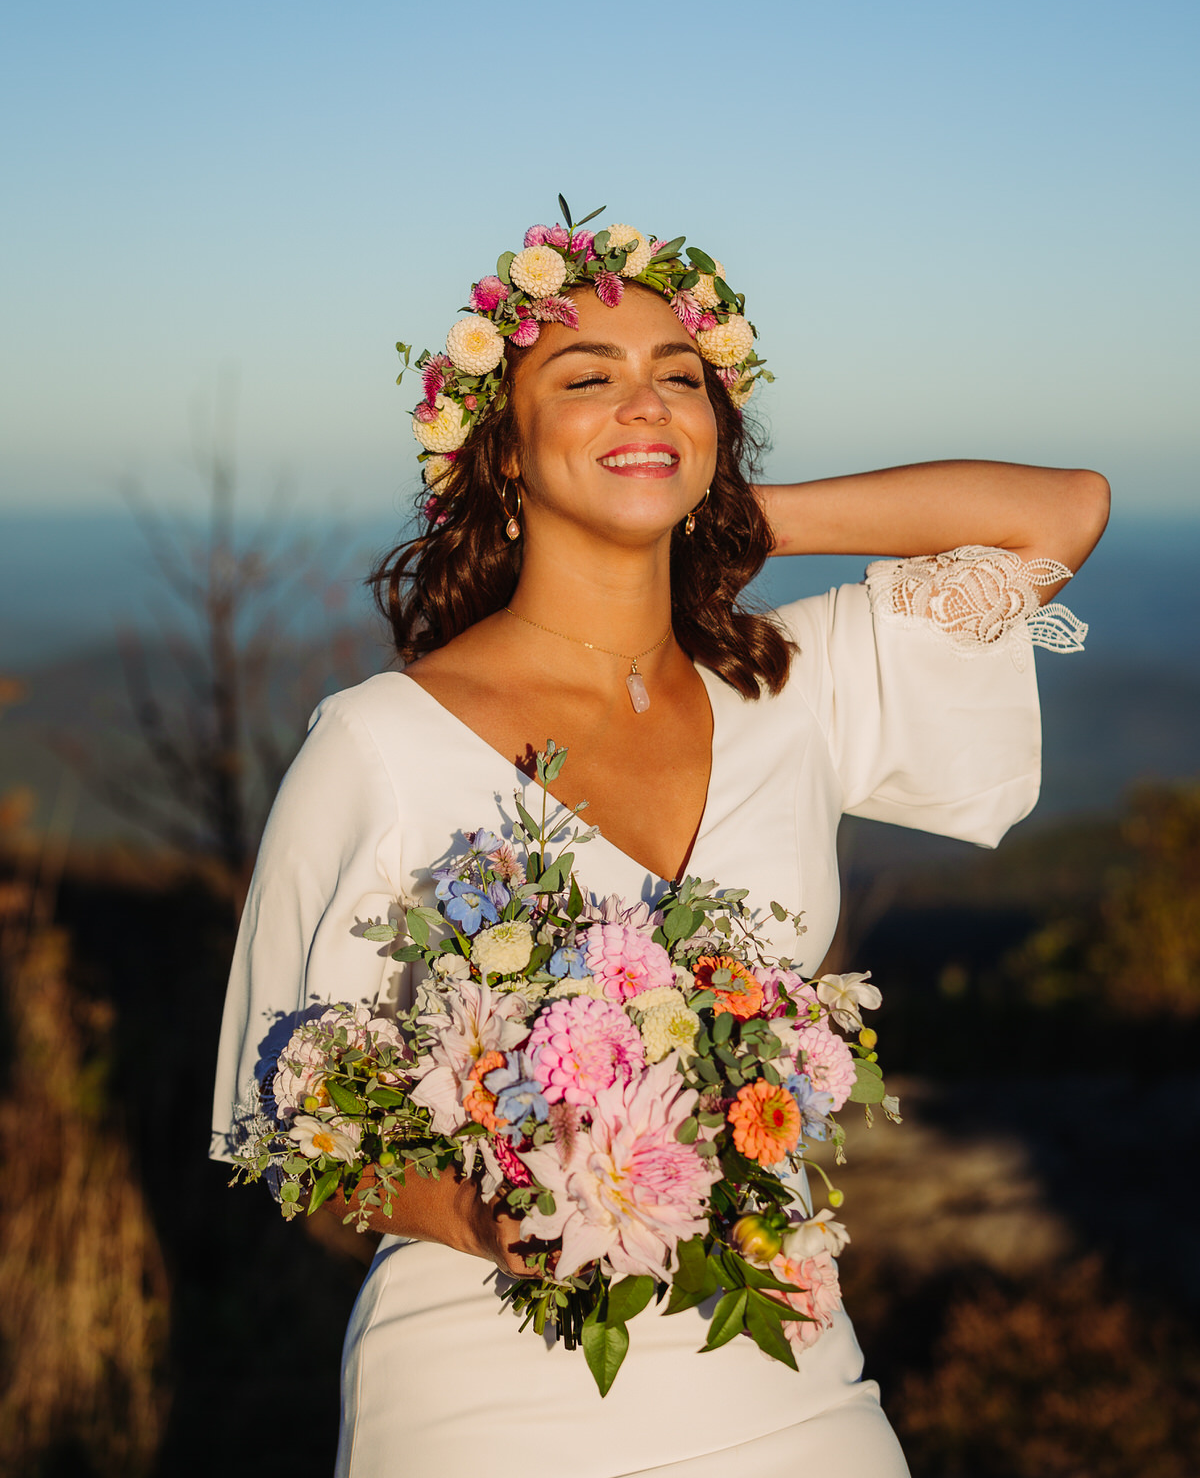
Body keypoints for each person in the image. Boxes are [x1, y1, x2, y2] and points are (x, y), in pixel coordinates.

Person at [211, 217, 1109, 1477]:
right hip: (490, 1394)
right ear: (503, 456)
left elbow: (1060, 515)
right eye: (586, 376)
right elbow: (286, 1127)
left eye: (680, 377)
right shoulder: (378, 744)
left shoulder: (791, 683)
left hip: (789, 1376)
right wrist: (503, 1216)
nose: (644, 398)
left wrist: (740, 518)